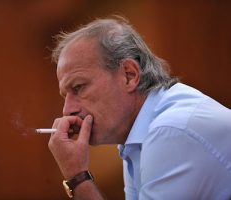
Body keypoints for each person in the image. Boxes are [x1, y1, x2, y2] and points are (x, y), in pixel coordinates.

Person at [48, 15, 231, 200]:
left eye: (79, 87)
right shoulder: (137, 139)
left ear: (129, 75)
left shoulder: (171, 131)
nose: (67, 110)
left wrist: (77, 176)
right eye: (65, 96)